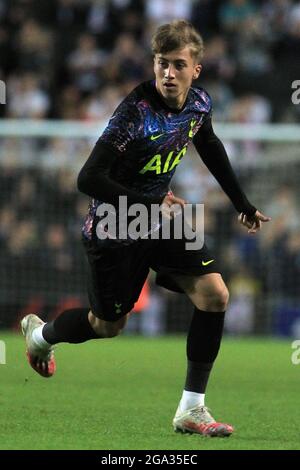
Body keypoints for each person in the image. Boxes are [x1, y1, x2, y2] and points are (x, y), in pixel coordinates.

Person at [21, 20, 270, 437]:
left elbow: (207, 143)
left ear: (196, 70)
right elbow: (88, 179)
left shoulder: (200, 103)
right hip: (113, 225)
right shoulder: (134, 113)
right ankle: (41, 335)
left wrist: (242, 202)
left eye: (177, 65)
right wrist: (149, 202)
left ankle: (192, 409)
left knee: (215, 294)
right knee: (107, 326)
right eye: (161, 64)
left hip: (160, 218)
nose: (168, 74)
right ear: (152, 65)